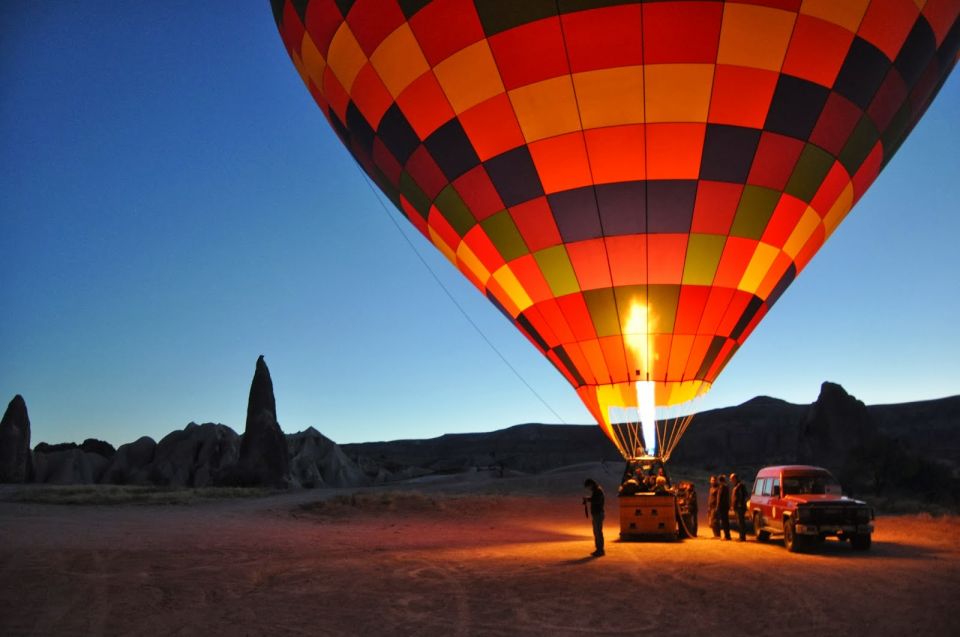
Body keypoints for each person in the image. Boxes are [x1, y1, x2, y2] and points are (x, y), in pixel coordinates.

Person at [584, 478, 605, 556]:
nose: (588, 489)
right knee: (596, 532)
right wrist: (588, 499)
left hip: (598, 514)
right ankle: (598, 549)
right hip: (597, 514)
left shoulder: (598, 491)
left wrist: (589, 499)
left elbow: (597, 500)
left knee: (598, 532)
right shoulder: (596, 491)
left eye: (588, 487)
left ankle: (600, 550)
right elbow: (595, 499)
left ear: (591, 484)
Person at [731, 473, 748, 542]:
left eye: (732, 479)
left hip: (740, 507)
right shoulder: (737, 486)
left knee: (741, 522)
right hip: (737, 507)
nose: (731, 480)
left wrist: (739, 504)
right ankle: (741, 536)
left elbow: (741, 496)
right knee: (739, 522)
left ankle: (742, 537)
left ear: (735, 478)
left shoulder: (740, 486)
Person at [717, 474, 731, 541]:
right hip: (726, 506)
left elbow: (719, 498)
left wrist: (718, 506)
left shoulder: (722, 487)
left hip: (722, 507)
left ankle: (727, 536)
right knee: (726, 521)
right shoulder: (726, 486)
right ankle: (727, 535)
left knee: (724, 521)